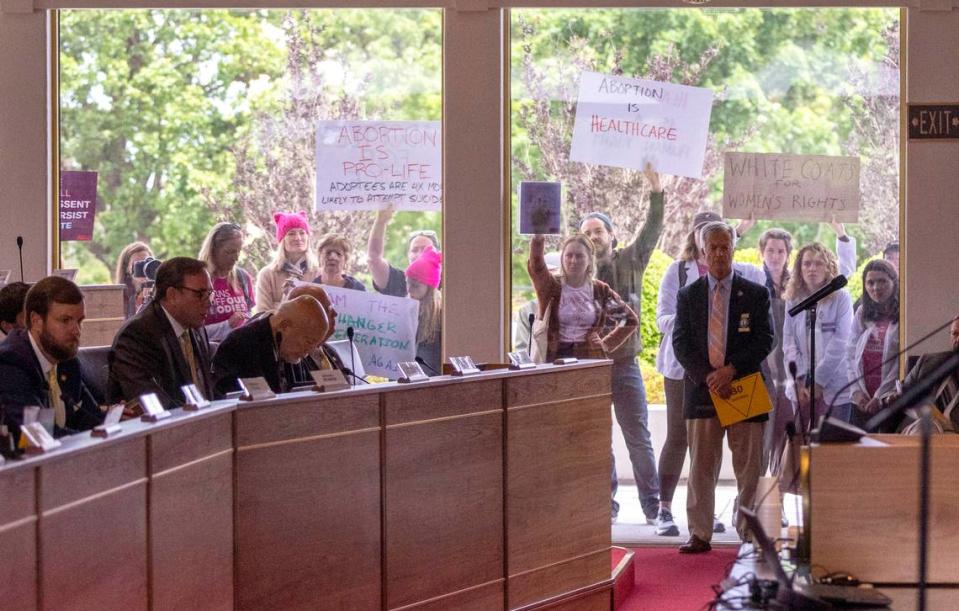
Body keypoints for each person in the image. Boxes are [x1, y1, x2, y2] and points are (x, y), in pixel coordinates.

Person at [653, 211, 764, 537]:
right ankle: (699, 533)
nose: (718, 253)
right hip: (702, 385)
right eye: (712, 247)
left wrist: (731, 370)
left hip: (742, 382)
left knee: (748, 464)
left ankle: (747, 531)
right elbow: (681, 341)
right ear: (702, 250)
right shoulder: (687, 292)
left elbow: (764, 339)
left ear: (733, 249)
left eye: (724, 247)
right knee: (701, 461)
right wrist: (708, 375)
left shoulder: (754, 290)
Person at [579, 162, 664, 524]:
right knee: (599, 442)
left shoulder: (631, 259)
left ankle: (652, 505)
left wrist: (657, 190)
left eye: (599, 231)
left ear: (612, 235)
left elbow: (651, 230)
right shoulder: (575, 273)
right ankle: (606, 507)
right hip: (591, 369)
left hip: (626, 367)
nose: (594, 237)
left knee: (638, 439)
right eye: (588, 233)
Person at [0, 276, 103, 445]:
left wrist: (122, 424)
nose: (76, 330)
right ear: (36, 321)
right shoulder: (11, 363)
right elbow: (37, 436)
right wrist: (90, 440)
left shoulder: (67, 361)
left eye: (79, 321)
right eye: (65, 320)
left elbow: (91, 417)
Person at [109, 257, 218, 408]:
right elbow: (151, 402)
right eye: (200, 294)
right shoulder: (137, 335)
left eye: (210, 293)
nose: (209, 302)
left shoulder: (196, 329)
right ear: (172, 295)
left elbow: (208, 393)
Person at [527, 233, 638, 362]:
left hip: (589, 360)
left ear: (589, 260)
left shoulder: (600, 290)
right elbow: (537, 267)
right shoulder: (551, 286)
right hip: (553, 358)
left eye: (579, 256)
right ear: (562, 258)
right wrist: (538, 239)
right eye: (569, 255)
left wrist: (606, 344)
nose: (573, 260)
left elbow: (629, 320)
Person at [782, 243, 854, 430]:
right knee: (800, 447)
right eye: (806, 263)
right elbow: (789, 342)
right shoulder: (793, 298)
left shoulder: (841, 298)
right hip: (801, 387)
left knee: (832, 451)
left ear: (828, 266)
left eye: (818, 263)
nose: (812, 268)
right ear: (799, 268)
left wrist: (819, 381)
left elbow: (841, 343)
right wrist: (799, 379)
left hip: (834, 385)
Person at [212, 295, 331, 395]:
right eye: (308, 342)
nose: (309, 352)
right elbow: (231, 398)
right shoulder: (240, 344)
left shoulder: (291, 350)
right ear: (284, 326)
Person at [847, 260, 900, 429]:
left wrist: (880, 396)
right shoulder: (862, 312)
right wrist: (857, 392)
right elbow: (850, 354)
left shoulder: (903, 314)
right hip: (862, 399)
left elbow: (899, 363)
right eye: (870, 282)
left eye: (882, 281)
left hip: (889, 399)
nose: (876, 287)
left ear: (894, 282)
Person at [198, 222, 255, 343]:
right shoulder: (197, 280)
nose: (236, 258)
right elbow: (192, 333)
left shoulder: (243, 278)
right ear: (213, 250)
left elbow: (250, 317)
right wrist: (227, 325)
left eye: (238, 251)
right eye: (229, 252)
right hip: (210, 355)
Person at [368, 203, 440, 298]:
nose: (419, 255)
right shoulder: (398, 281)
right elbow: (374, 259)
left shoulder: (449, 283)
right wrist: (381, 221)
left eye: (425, 250)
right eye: (414, 250)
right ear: (408, 255)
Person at [255, 211, 319, 312]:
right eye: (291, 234)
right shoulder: (267, 274)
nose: (298, 238)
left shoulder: (318, 272)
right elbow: (262, 315)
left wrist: (276, 306)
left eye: (302, 233)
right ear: (282, 240)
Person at [406, 245, 443, 374]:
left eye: (415, 285)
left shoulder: (440, 316)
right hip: (403, 380)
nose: (409, 290)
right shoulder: (403, 310)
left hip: (432, 382)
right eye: (407, 283)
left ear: (429, 287)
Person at [115, 241, 154, 318]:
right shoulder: (118, 298)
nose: (143, 268)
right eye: (137, 264)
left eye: (146, 263)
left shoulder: (161, 293)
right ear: (127, 268)